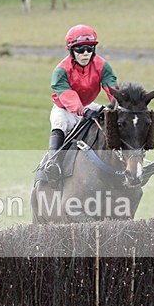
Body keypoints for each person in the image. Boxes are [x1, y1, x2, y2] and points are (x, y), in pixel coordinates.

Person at [43, 24, 118, 189]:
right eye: (80, 49)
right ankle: (52, 163)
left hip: (88, 105)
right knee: (60, 124)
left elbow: (112, 88)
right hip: (64, 108)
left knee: (114, 119)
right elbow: (68, 96)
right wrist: (83, 111)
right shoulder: (61, 71)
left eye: (90, 49)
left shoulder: (102, 65)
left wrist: (119, 105)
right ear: (71, 50)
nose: (85, 53)